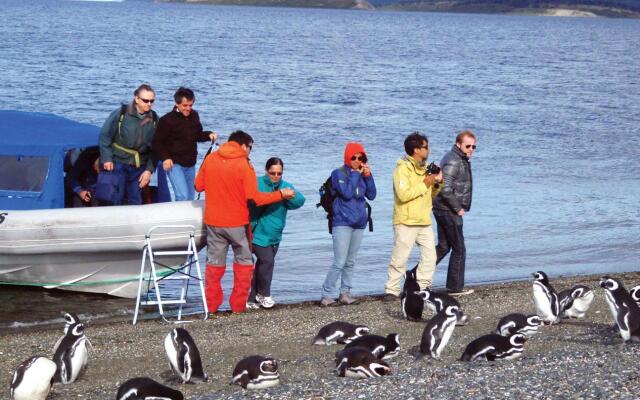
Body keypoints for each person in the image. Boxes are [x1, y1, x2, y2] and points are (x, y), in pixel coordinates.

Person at [194, 130, 295, 314]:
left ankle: (211, 307)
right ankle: (238, 307)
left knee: (214, 265)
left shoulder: (211, 159)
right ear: (243, 145)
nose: (250, 152)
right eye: (250, 148)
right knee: (244, 264)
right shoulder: (244, 164)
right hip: (237, 222)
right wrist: (280, 194)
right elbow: (254, 197)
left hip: (214, 221)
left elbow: (198, 185)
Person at [383, 132, 442, 302]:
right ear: (416, 150)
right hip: (406, 221)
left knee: (430, 256)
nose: (428, 150)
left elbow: (431, 195)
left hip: (424, 220)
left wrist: (437, 182)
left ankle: (423, 286)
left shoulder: (424, 170)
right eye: (426, 147)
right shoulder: (402, 169)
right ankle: (392, 289)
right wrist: (426, 183)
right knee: (400, 257)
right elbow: (403, 194)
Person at [321, 141, 376, 307]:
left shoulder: (360, 174)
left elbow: (372, 195)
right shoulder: (338, 174)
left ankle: (345, 293)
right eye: (354, 157)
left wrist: (368, 176)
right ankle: (326, 295)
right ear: (347, 157)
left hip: (359, 223)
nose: (358, 161)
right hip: (342, 222)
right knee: (339, 261)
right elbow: (346, 193)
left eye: (361, 158)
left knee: (350, 261)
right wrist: (356, 174)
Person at [246, 157, 305, 310]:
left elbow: (299, 201)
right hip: (256, 232)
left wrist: (291, 196)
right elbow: (250, 199)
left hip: (275, 234)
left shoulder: (286, 186)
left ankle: (251, 298)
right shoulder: (258, 183)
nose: (276, 176)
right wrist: (276, 195)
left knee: (261, 265)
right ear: (266, 171)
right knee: (267, 261)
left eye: (279, 173)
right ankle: (264, 294)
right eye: (273, 173)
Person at [152, 87, 218, 201]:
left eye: (190, 105)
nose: (188, 108)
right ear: (177, 104)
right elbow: (157, 142)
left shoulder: (194, 115)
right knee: (182, 196)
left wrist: (208, 135)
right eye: (185, 105)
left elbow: (197, 135)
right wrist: (165, 158)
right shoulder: (167, 120)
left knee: (190, 197)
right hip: (174, 164)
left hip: (190, 164)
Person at [433, 130, 477, 296]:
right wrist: (457, 207)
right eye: (467, 146)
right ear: (458, 144)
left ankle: (415, 277)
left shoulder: (459, 158)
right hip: (448, 210)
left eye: (473, 146)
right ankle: (455, 287)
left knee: (444, 247)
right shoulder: (454, 160)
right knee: (459, 248)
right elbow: (445, 189)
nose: (471, 149)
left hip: (443, 209)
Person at [99, 84, 157, 205]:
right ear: (136, 99)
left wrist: (149, 170)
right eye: (146, 100)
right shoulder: (121, 113)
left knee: (136, 200)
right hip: (118, 163)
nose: (149, 104)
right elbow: (105, 135)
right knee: (115, 198)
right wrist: (107, 158)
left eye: (152, 101)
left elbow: (157, 148)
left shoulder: (155, 119)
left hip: (139, 166)